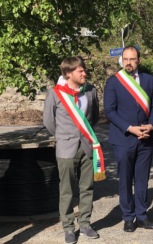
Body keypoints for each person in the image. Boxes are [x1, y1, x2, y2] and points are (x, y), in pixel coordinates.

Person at [104, 46, 153, 232]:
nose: (128, 62)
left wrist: (151, 126)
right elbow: (110, 111)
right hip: (123, 138)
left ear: (139, 60)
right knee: (126, 179)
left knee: (142, 179)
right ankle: (128, 217)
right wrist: (130, 129)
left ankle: (142, 216)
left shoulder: (148, 79)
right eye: (125, 59)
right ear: (122, 60)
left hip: (145, 138)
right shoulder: (113, 82)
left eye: (132, 59)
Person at [43, 56, 101, 243]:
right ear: (69, 73)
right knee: (66, 190)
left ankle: (85, 223)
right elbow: (49, 122)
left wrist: (85, 135)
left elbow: (94, 117)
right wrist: (63, 137)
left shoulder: (91, 91)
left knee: (87, 187)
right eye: (80, 71)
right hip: (66, 148)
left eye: (84, 70)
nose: (85, 73)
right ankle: (68, 227)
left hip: (86, 145)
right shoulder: (55, 93)